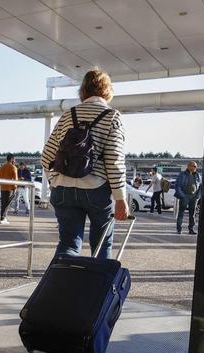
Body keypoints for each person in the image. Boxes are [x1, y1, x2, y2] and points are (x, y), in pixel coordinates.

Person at [41, 68, 129, 260]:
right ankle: (95, 289)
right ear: (107, 91)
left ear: (83, 91)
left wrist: (55, 181)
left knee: (68, 244)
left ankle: (60, 287)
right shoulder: (112, 117)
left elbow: (47, 155)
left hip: (63, 189)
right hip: (96, 189)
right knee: (101, 245)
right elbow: (114, 160)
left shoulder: (68, 115)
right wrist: (120, 198)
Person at [174, 161, 201, 235]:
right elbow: (177, 186)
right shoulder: (182, 174)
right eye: (193, 166)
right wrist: (182, 195)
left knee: (192, 214)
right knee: (181, 213)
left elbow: (200, 186)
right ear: (188, 166)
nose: (195, 168)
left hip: (194, 197)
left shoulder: (198, 175)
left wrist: (197, 196)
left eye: (195, 166)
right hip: (185, 196)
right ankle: (179, 229)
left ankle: (191, 229)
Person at [0, 154, 18, 224]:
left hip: (3, 187)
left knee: (3, 203)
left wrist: (1, 185)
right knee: (7, 204)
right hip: (10, 188)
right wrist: (15, 188)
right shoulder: (13, 167)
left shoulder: (1, 167)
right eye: (14, 159)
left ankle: (3, 218)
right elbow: (15, 179)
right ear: (11, 159)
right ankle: (3, 218)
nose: (14, 161)